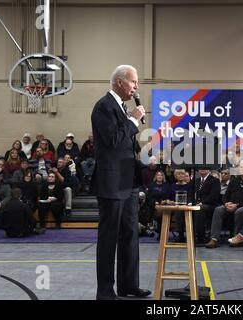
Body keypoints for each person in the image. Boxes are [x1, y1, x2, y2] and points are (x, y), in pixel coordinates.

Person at [91, 64, 150, 300]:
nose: (136, 87)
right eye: (133, 82)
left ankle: (129, 285)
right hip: (112, 182)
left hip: (128, 182)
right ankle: (105, 291)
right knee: (109, 237)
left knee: (130, 234)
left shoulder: (122, 108)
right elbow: (113, 139)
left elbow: (126, 144)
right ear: (119, 82)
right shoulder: (103, 106)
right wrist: (134, 121)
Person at [205, 160, 243, 249]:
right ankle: (214, 239)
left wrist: (237, 205)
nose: (242, 169)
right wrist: (226, 203)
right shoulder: (234, 181)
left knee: (240, 211)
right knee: (218, 209)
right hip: (231, 205)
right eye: (240, 167)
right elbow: (226, 196)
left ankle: (237, 238)